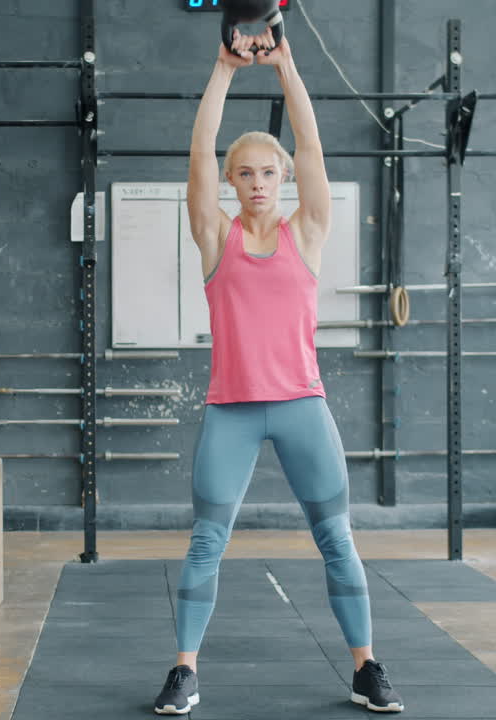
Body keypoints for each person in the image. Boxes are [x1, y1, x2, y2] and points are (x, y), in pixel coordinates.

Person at [151, 28, 404, 715]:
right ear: (230, 184)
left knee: (336, 537)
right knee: (207, 539)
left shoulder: (308, 231)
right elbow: (199, 150)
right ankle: (184, 670)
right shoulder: (215, 236)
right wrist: (223, 70)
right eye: (245, 173)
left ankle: (366, 666)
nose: (257, 182)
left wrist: (289, 66)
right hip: (232, 409)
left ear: (283, 179)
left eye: (269, 172)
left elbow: (313, 145)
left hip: (301, 407)